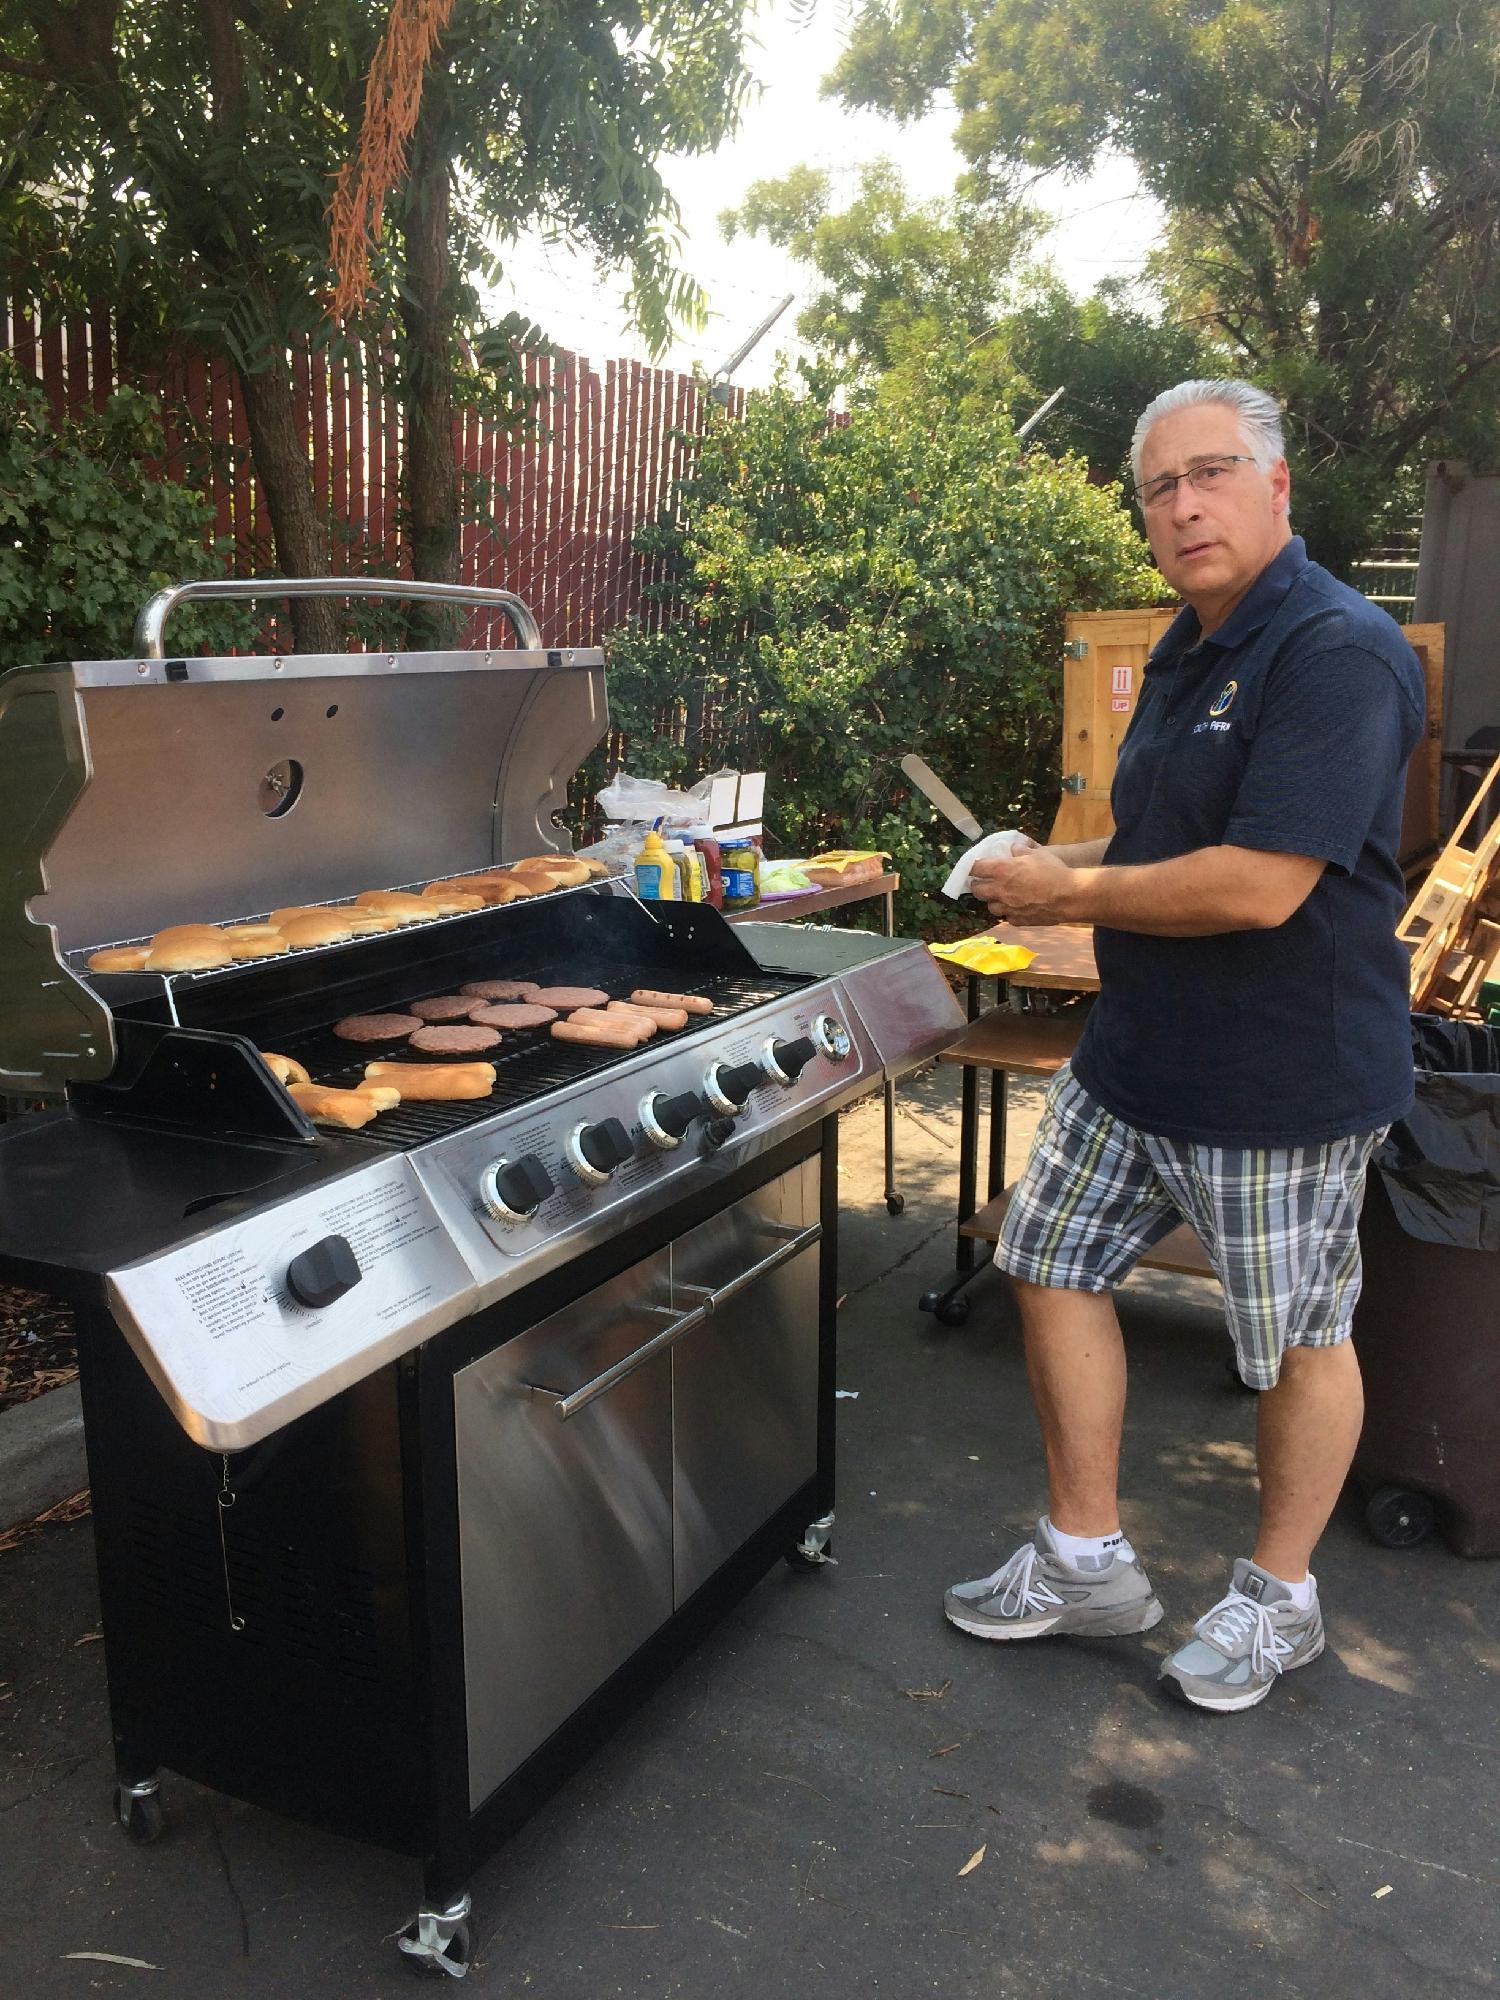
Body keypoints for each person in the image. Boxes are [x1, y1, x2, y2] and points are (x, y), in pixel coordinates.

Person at [945, 378, 1424, 1712]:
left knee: (1295, 1341)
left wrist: (1071, 897)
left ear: (1277, 488)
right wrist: (1054, 864)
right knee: (1043, 1259)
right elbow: (1167, 855)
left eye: (1211, 474)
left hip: (1282, 1077)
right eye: (1160, 487)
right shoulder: (1187, 643)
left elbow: (1261, 885)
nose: (1184, 505)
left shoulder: (1338, 652)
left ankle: (1280, 1602)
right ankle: (1087, 1557)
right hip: (1139, 1054)